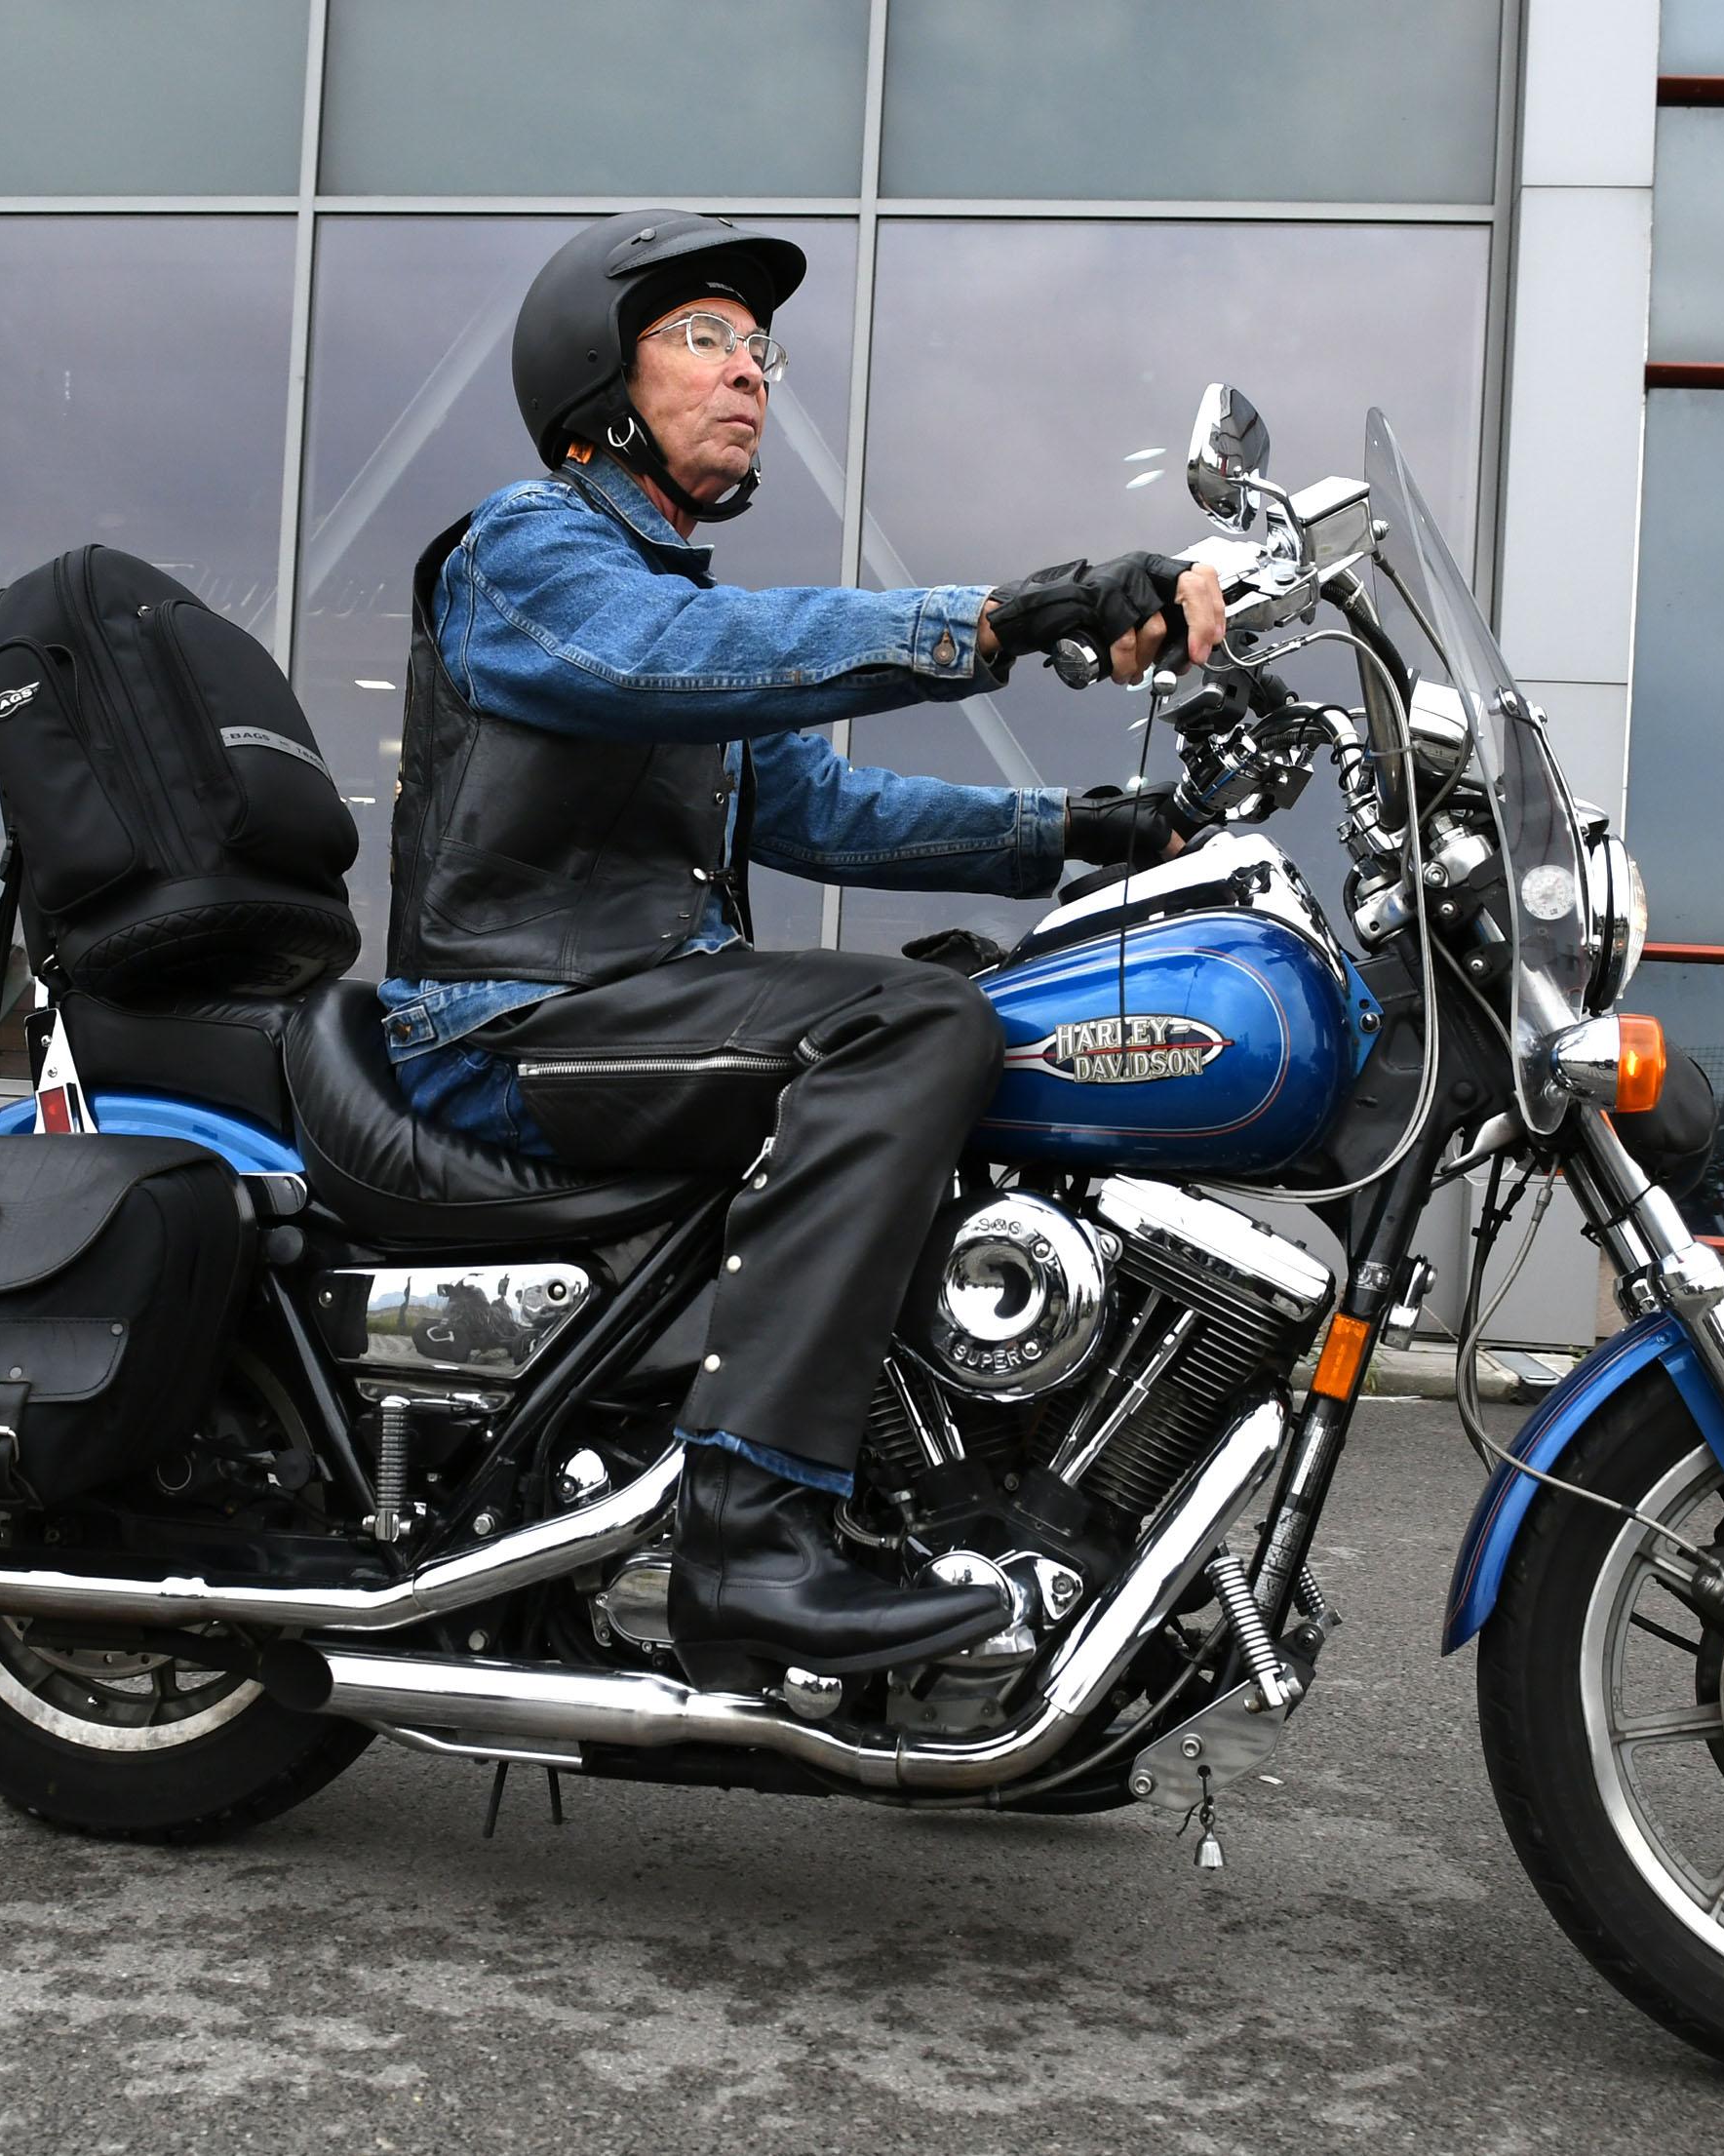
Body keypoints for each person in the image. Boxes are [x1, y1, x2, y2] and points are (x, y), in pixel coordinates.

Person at [383, 210, 1224, 1689]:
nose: (748, 373)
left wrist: (1080, 829)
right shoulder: (527, 549)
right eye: (704, 338)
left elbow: (824, 809)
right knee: (911, 1027)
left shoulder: (671, 605)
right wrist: (1003, 619)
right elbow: (662, 660)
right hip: (510, 1023)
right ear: (601, 375)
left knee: (968, 996)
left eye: (760, 349)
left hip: (630, 1010)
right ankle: (748, 1534)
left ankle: (964, 1499)